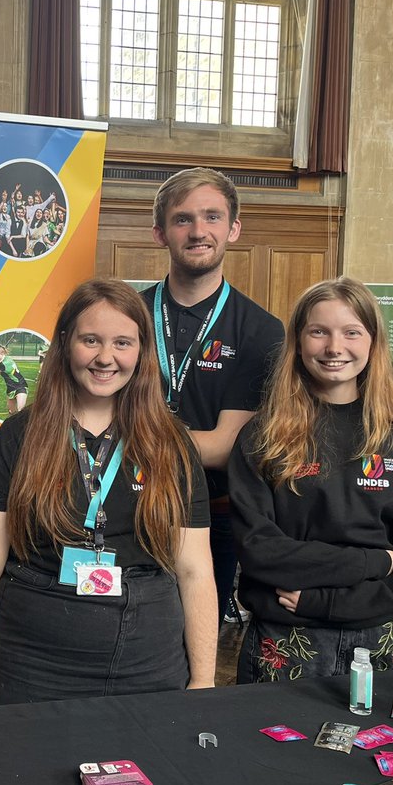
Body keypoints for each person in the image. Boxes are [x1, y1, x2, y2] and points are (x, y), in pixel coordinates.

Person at [0, 279, 217, 707]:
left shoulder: (172, 444)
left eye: (122, 342)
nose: (105, 357)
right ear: (64, 344)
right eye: (90, 340)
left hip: (147, 658)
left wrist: (204, 681)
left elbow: (195, 571)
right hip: (33, 659)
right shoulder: (17, 438)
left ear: (142, 352)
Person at [228, 277, 393, 683]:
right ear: (298, 341)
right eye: (319, 332)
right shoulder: (263, 436)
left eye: (351, 332)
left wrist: (331, 602)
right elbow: (258, 549)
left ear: (373, 341)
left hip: (375, 638)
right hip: (284, 641)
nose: (335, 348)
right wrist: (375, 561)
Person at [141, 167, 284, 625]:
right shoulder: (127, 316)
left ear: (233, 229)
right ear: (160, 232)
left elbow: (225, 448)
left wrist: (129, 437)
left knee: (195, 646)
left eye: (212, 217)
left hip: (212, 516)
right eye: (183, 219)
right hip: (119, 503)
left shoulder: (261, 330)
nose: (198, 231)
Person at [0, 344, 28, 415]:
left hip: (21, 386)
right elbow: (4, 373)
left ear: (2, 353)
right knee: (11, 412)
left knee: (20, 411)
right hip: (10, 389)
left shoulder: (3, 363)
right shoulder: (7, 359)